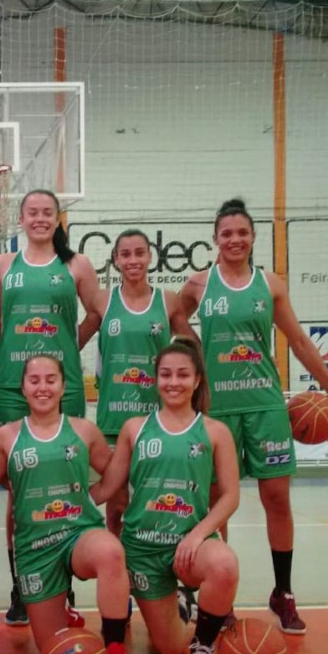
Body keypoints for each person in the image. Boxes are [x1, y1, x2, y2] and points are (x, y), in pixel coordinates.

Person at [173, 198, 328, 634]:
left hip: (265, 405)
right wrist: (196, 350)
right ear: (215, 239)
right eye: (226, 233)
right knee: (218, 504)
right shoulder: (199, 284)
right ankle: (220, 600)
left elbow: (298, 341)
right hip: (217, 409)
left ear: (253, 237)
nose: (235, 240)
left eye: (242, 233)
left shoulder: (270, 284)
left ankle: (282, 592)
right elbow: (174, 316)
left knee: (277, 498)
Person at [92, 338, 240, 654]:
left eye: (183, 375)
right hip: (142, 549)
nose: (174, 382)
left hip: (189, 546)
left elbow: (230, 496)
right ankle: (182, 606)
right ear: (155, 379)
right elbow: (108, 487)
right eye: (166, 374)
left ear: (197, 380)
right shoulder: (134, 428)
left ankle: (203, 649)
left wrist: (197, 535)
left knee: (224, 564)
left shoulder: (215, 432)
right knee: (170, 648)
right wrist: (65, 503)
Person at [0, 354, 135, 654]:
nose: (43, 387)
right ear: (23, 387)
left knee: (111, 553)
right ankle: (62, 608)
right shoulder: (5, 437)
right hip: (35, 548)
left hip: (78, 534)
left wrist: (93, 496)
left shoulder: (84, 431)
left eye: (50, 380)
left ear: (64, 386)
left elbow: (114, 472)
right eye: (34, 380)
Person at [0, 190, 100, 625]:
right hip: (14, 389)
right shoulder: (3, 265)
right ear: (20, 218)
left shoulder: (77, 265)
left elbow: (96, 312)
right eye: (32, 212)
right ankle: (23, 585)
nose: (39, 218)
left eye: (47, 212)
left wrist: (70, 347)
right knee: (20, 489)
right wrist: (5, 358)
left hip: (60, 389)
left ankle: (63, 585)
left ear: (57, 219)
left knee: (66, 483)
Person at [92, 228, 193, 534]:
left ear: (150, 257)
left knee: (155, 501)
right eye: (125, 254)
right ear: (115, 259)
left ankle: (150, 560)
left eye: (139, 253)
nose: (133, 260)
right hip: (113, 419)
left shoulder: (168, 301)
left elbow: (194, 348)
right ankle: (118, 562)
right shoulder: (103, 301)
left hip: (156, 419)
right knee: (117, 505)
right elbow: (72, 345)